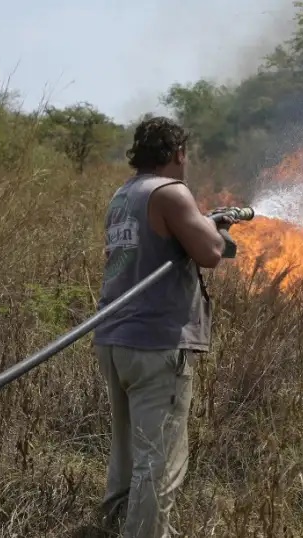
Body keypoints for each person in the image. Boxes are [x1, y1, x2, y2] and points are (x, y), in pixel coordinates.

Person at [92, 116, 234, 537]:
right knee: (159, 462)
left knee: (128, 453)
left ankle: (113, 526)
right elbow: (210, 252)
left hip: (115, 338)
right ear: (178, 153)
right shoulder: (170, 192)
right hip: (155, 345)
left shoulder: (124, 195)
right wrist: (217, 230)